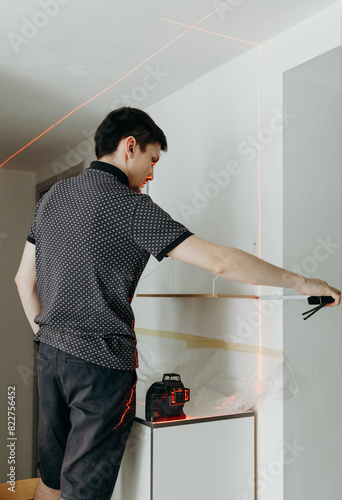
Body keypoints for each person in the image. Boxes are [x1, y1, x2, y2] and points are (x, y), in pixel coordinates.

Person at [15, 107, 341, 500]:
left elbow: (22, 279)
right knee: (82, 493)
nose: (151, 174)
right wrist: (303, 281)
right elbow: (220, 261)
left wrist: (48, 336)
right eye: (151, 161)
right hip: (100, 370)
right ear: (129, 146)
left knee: (50, 482)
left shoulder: (54, 197)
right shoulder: (131, 207)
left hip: (50, 358)